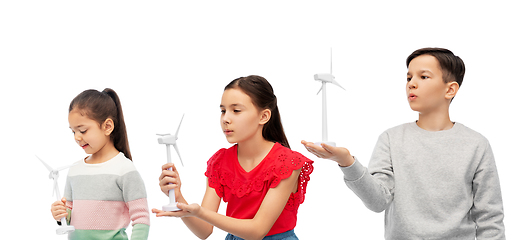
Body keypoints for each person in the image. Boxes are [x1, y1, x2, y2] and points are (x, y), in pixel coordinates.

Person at [302, 48, 505, 239]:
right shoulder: (391, 139)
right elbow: (377, 201)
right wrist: (347, 161)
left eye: (423, 77)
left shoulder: (476, 144)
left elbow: (490, 218)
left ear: (450, 89)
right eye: (409, 77)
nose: (411, 83)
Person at [153, 75, 314, 240]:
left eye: (236, 110)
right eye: (223, 111)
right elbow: (204, 230)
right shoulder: (220, 162)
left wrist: (200, 212)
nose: (225, 119)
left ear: (264, 116)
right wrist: (178, 197)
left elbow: (258, 231)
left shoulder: (287, 163)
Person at [50, 88, 150, 239]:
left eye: (82, 131)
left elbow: (141, 217)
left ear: (107, 126)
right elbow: (70, 213)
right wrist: (61, 215)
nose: (77, 137)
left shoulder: (124, 169)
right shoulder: (74, 170)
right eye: (73, 131)